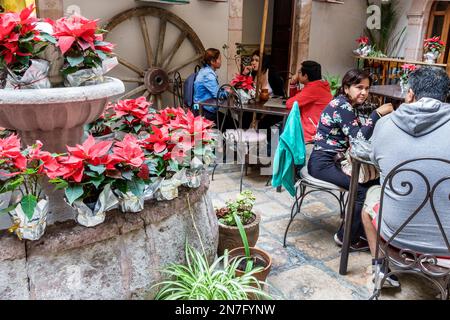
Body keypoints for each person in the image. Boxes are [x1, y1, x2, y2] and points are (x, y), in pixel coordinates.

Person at [362, 66, 450, 288]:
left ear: (410, 93)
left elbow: (374, 160)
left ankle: (381, 269)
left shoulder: (385, 124)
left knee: (370, 200)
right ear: (446, 96)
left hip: (396, 235)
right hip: (447, 244)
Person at [307, 69, 394, 250]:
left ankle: (361, 230)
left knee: (373, 182)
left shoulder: (346, 105)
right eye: (359, 87)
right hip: (324, 163)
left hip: (334, 160)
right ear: (347, 88)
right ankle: (346, 237)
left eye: (367, 88)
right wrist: (376, 114)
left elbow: (358, 137)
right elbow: (359, 139)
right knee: (361, 189)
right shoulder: (342, 106)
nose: (363, 92)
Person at [286, 61, 333, 143]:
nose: (296, 75)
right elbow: (297, 98)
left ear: (305, 76)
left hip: (310, 133)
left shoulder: (313, 89)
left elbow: (289, 104)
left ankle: (268, 152)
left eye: (299, 72)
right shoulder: (319, 85)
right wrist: (293, 84)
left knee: (276, 129)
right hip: (318, 130)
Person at [193, 48, 223, 124]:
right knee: (231, 124)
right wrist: (227, 92)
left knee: (227, 121)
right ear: (213, 61)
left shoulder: (204, 71)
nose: (221, 61)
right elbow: (217, 95)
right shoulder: (209, 75)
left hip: (200, 108)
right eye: (219, 59)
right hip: (204, 112)